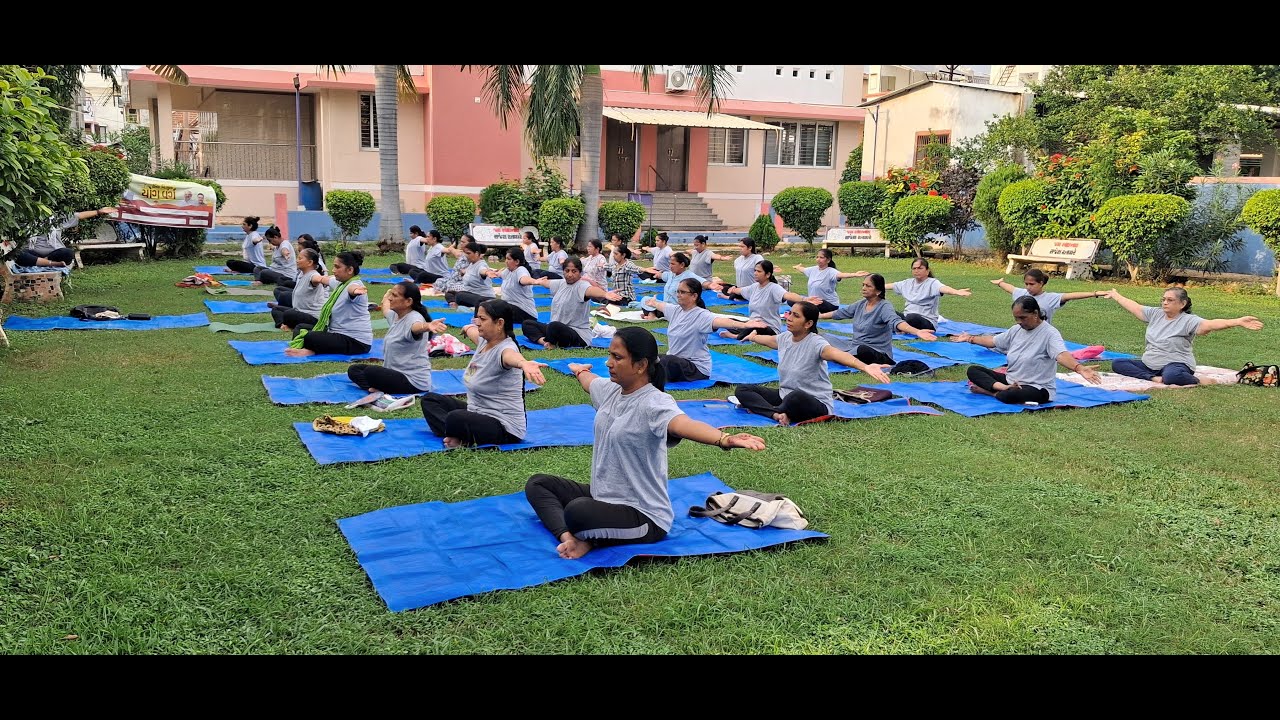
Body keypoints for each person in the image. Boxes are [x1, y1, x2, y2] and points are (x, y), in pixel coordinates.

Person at [526, 326, 767, 560]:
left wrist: (724, 439)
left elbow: (682, 423)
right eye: (610, 355)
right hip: (604, 496)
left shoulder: (654, 403)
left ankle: (588, 537)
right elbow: (590, 382)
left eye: (617, 357)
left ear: (641, 365)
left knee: (578, 511)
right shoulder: (612, 390)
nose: (609, 362)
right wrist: (579, 370)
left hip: (643, 515)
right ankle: (571, 537)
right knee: (539, 484)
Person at [732, 302, 893, 425]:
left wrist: (865, 366)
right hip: (785, 395)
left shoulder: (816, 343)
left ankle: (774, 409)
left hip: (814, 403)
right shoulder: (786, 337)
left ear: (808, 324)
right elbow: (769, 340)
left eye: (796, 315)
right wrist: (753, 337)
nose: (788, 318)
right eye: (789, 313)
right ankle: (776, 414)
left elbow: (839, 354)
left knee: (795, 397)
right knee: (743, 389)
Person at [419, 299, 548, 448]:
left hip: (503, 426)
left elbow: (511, 357)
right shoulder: (484, 341)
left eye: (482, 319)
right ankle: (457, 434)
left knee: (455, 417)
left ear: (500, 323)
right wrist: (467, 327)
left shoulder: (505, 349)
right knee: (430, 400)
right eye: (477, 318)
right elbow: (471, 330)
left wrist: (523, 363)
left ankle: (459, 435)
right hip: (477, 411)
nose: (478, 323)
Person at [951, 296, 1102, 404]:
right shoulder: (1016, 330)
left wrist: (1079, 368)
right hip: (1011, 380)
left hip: (1037, 387)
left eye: (1023, 318)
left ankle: (989, 391)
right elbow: (993, 341)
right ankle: (1003, 388)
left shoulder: (1050, 333)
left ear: (1035, 314)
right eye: (1016, 318)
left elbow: (1061, 355)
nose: (1019, 322)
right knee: (973, 370)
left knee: (1012, 395)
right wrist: (970, 338)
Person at [1104, 286, 1264, 386]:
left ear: (1182, 304)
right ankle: (1153, 378)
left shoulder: (1189, 320)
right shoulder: (1155, 313)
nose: (1165, 303)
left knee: (1172, 376)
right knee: (1118, 363)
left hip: (1176, 364)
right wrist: (1116, 295)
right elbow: (1135, 307)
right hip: (1149, 364)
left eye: (1170, 300)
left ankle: (1199, 381)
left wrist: (1236, 321)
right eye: (1163, 299)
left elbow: (1210, 324)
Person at [645, 278, 767, 382]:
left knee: (666, 361)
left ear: (694, 296)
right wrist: (654, 303)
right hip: (677, 361)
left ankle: (650, 378)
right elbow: (662, 306)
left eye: (682, 292)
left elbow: (721, 321)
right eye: (678, 291)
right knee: (651, 357)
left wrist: (745, 325)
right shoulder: (676, 310)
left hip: (695, 368)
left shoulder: (701, 315)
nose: (678, 295)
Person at [347, 281, 447, 395]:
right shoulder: (397, 315)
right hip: (394, 373)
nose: (390, 298)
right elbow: (385, 310)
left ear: (408, 301)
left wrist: (428, 326)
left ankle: (377, 387)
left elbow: (416, 327)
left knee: (371, 372)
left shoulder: (414, 319)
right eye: (391, 294)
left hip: (412, 381)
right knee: (354, 370)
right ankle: (374, 388)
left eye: (394, 296)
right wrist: (386, 297)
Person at [818, 273, 936, 365]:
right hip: (853, 346)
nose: (864, 288)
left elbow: (896, 322)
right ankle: (843, 355)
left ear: (878, 291)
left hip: (876, 352)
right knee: (821, 337)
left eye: (868, 286)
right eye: (863, 285)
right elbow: (841, 313)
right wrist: (819, 316)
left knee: (862, 350)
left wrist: (917, 331)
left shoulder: (884, 306)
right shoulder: (861, 304)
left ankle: (841, 356)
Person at [284, 250, 373, 357]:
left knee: (309, 337)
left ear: (350, 270)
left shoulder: (354, 285)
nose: (333, 270)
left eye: (337, 267)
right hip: (337, 333)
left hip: (356, 341)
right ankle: (312, 348)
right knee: (302, 327)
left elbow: (352, 289)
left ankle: (311, 350)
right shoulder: (340, 283)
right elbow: (325, 279)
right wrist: (314, 276)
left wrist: (356, 291)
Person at [522, 257, 623, 349]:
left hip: (578, 334)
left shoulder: (581, 286)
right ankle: (545, 342)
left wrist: (605, 294)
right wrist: (537, 281)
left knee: (554, 326)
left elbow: (591, 290)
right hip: (558, 329)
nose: (570, 274)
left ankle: (551, 340)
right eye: (567, 271)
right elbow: (547, 283)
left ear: (580, 272)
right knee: (527, 324)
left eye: (574, 271)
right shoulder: (561, 283)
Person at [850, 257, 971, 331]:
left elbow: (944, 288)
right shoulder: (907, 283)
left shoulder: (932, 283)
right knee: (885, 311)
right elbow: (889, 286)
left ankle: (900, 328)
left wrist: (957, 292)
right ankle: (899, 327)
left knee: (912, 317)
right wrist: (872, 287)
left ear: (927, 271)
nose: (916, 271)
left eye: (920, 268)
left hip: (925, 321)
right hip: (907, 318)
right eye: (914, 268)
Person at [707, 260, 815, 341]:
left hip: (769, 328)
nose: (755, 273)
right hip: (752, 324)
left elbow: (788, 295)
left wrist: (804, 299)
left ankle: (736, 336)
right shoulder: (754, 287)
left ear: (768, 274)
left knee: (755, 327)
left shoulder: (773, 288)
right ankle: (745, 333)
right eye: (754, 271)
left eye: (759, 271)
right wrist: (732, 289)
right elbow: (742, 290)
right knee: (731, 322)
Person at [990, 268, 1108, 323]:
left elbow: (1071, 295)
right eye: (1026, 284)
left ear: (1041, 283)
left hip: (1041, 336)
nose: (1028, 287)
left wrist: (1095, 293)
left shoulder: (1050, 298)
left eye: (1032, 284)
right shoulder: (1022, 294)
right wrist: (1000, 283)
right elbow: (1010, 288)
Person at [14, 207, 117, 268]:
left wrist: (98, 212)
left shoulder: (55, 220)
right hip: (31, 252)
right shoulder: (24, 221)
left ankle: (43, 261)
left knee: (68, 253)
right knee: (19, 254)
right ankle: (51, 264)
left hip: (52, 253)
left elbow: (78, 215)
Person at [270, 247, 330, 331]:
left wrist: (326, 279)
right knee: (276, 309)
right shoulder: (302, 273)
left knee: (289, 314)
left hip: (313, 317)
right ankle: (283, 325)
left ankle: (289, 325)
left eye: (300, 258)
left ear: (310, 262)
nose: (297, 260)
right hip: (300, 311)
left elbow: (318, 279)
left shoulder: (313, 275)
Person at [792, 249, 866, 313]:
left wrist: (855, 274)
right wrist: (797, 267)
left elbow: (841, 275)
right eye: (817, 257)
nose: (818, 259)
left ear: (828, 260)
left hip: (829, 305)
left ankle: (806, 308)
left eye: (821, 257)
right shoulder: (813, 269)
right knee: (791, 299)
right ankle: (807, 307)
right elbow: (803, 269)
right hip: (812, 301)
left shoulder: (831, 271)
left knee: (818, 302)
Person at [485, 247, 540, 325]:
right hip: (511, 307)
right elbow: (500, 274)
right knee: (484, 303)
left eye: (508, 259)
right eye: (506, 259)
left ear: (517, 261)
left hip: (525, 312)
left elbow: (523, 279)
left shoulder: (521, 270)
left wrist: (535, 281)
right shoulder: (508, 271)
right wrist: (491, 272)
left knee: (498, 307)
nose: (506, 261)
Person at [639, 251, 700, 320]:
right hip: (665, 306)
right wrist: (656, 274)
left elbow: (704, 282)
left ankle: (651, 314)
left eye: (673, 264)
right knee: (645, 299)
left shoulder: (689, 276)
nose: (670, 266)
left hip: (677, 308)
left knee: (655, 304)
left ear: (682, 265)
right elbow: (662, 275)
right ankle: (652, 313)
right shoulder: (671, 274)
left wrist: (710, 285)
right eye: (670, 263)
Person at [448, 242, 495, 309]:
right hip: (472, 294)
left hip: (484, 297)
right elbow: (468, 272)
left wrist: (487, 272)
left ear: (476, 254)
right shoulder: (472, 264)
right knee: (449, 293)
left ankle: (483, 304)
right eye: (465, 253)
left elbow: (482, 271)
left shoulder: (481, 265)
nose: (466, 255)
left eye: (469, 253)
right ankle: (455, 303)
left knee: (460, 295)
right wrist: (463, 272)